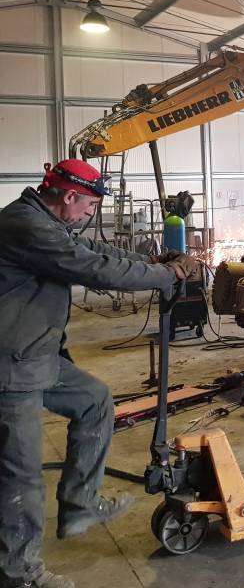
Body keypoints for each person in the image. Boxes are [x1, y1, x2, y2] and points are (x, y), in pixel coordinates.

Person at [0, 159, 199, 588]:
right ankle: (20, 574)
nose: (92, 215)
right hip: (9, 369)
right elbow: (91, 267)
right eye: (90, 206)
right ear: (69, 196)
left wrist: (153, 259)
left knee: (93, 401)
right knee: (20, 477)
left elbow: (100, 252)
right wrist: (162, 275)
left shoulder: (45, 221)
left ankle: (79, 504)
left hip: (37, 357)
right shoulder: (23, 225)